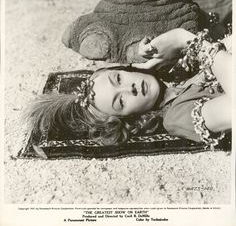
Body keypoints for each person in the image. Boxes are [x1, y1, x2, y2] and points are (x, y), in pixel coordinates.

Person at [25, 28, 232, 150]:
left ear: (125, 69)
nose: (130, 89)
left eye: (118, 78)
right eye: (121, 102)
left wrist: (175, 46)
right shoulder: (177, 118)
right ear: (130, 118)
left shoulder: (174, 67)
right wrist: (183, 38)